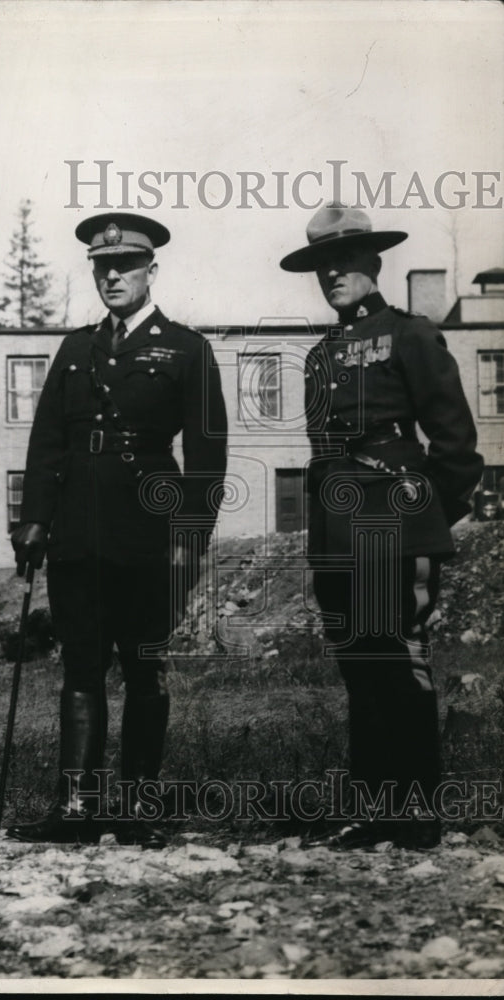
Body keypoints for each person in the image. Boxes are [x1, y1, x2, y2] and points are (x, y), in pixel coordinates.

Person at [9, 212, 228, 848]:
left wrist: (190, 540)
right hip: (77, 534)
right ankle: (76, 807)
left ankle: (137, 809)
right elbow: (47, 442)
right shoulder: (75, 349)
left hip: (147, 535)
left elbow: (207, 456)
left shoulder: (186, 349)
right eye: (102, 268)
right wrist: (35, 520)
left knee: (142, 667)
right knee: (81, 667)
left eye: (125, 267)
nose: (112, 277)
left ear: (150, 271)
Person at [280, 203, 484, 849]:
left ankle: (416, 813)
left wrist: (422, 517)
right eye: (322, 265)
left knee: (399, 661)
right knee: (360, 667)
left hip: (396, 524)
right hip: (338, 534)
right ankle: (374, 812)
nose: (332, 274)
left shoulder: (410, 335)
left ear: (373, 262)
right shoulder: (321, 355)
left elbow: (456, 447)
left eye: (344, 260)